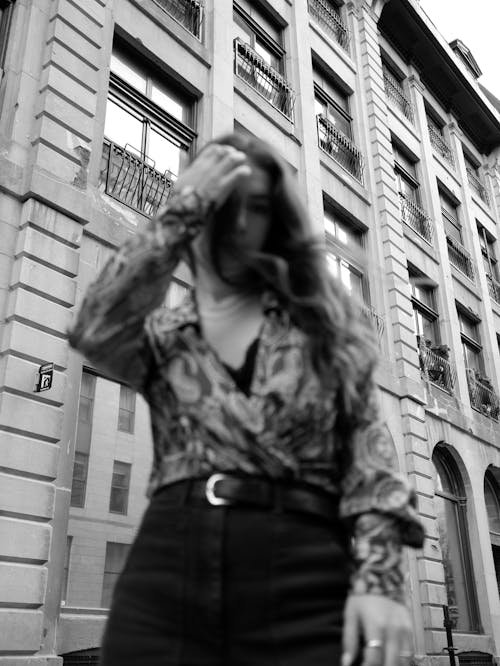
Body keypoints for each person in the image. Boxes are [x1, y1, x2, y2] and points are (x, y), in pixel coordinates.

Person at [68, 132, 425, 666]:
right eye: (224, 206)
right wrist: (183, 206)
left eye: (256, 208)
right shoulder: (165, 336)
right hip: (167, 576)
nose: (238, 224)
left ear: (275, 223)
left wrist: (379, 579)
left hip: (303, 576)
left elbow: (372, 471)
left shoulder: (325, 334)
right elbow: (94, 328)